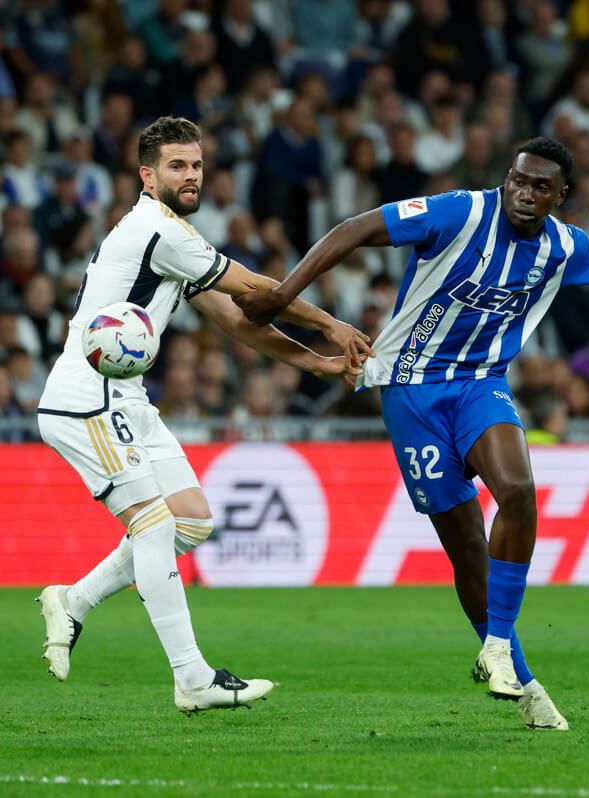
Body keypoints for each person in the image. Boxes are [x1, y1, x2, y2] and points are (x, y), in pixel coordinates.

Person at [236, 137, 589, 730]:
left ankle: (496, 647)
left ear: (560, 196)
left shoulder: (561, 245)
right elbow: (354, 228)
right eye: (518, 180)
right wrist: (282, 294)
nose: (524, 194)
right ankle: (524, 684)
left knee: (518, 490)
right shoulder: (462, 212)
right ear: (507, 178)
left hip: (480, 384)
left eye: (540, 187)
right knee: (467, 547)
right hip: (409, 389)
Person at [35, 117, 370, 713]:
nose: (191, 176)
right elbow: (256, 290)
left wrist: (317, 363)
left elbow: (239, 321)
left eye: (196, 165)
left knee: (190, 521)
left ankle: (74, 601)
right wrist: (331, 324)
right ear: (147, 175)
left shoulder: (173, 243)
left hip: (127, 395)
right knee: (154, 526)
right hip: (89, 396)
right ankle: (192, 678)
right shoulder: (157, 230)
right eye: (176, 166)